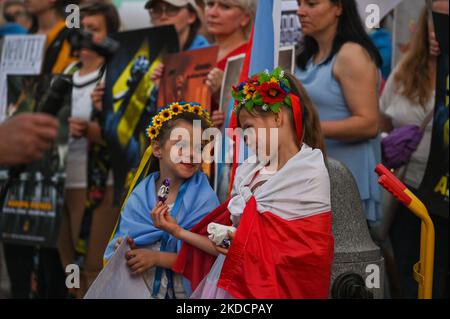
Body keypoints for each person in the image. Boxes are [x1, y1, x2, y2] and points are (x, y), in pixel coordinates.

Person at [152, 68, 334, 299]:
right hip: (232, 288)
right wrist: (177, 231)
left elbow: (305, 258)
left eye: (248, 127)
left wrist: (241, 242)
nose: (242, 137)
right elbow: (228, 250)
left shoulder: (308, 171)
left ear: (278, 118)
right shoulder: (249, 173)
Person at [2, 0, 79, 299]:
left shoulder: (71, 32)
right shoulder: (21, 39)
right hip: (13, 148)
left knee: (51, 250)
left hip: (51, 151)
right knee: (15, 240)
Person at [104, 102, 220, 299]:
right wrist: (124, 248)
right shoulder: (140, 196)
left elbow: (210, 257)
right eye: (181, 145)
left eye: (199, 147)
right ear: (157, 149)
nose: (192, 154)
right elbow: (121, 241)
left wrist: (157, 258)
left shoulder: (204, 199)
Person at [49, 1, 122, 298]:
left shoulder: (114, 74)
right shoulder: (66, 72)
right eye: (82, 28)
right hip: (61, 178)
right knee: (68, 266)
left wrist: (94, 130)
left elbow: (128, 135)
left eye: (95, 29)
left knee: (93, 265)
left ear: (109, 35)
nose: (86, 36)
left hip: (98, 184)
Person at [295, 0, 382, 224]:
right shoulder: (307, 54)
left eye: (311, 4)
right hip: (316, 176)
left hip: (345, 178)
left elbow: (369, 124)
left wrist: (304, 127)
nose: (301, 11)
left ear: (339, 8)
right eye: (299, 3)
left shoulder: (351, 54)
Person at [380, 7, 436, 299]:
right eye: (434, 19)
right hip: (408, 192)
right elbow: (381, 121)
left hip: (443, 194)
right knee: (406, 269)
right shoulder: (405, 69)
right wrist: (392, 140)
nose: (439, 28)